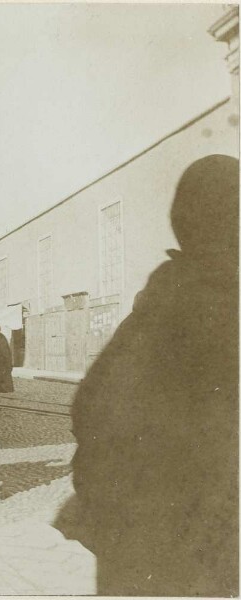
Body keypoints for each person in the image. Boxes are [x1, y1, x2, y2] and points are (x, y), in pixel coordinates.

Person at [58, 155, 239, 596]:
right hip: (194, 546)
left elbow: (90, 406)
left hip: (138, 539)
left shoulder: (159, 296)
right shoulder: (216, 301)